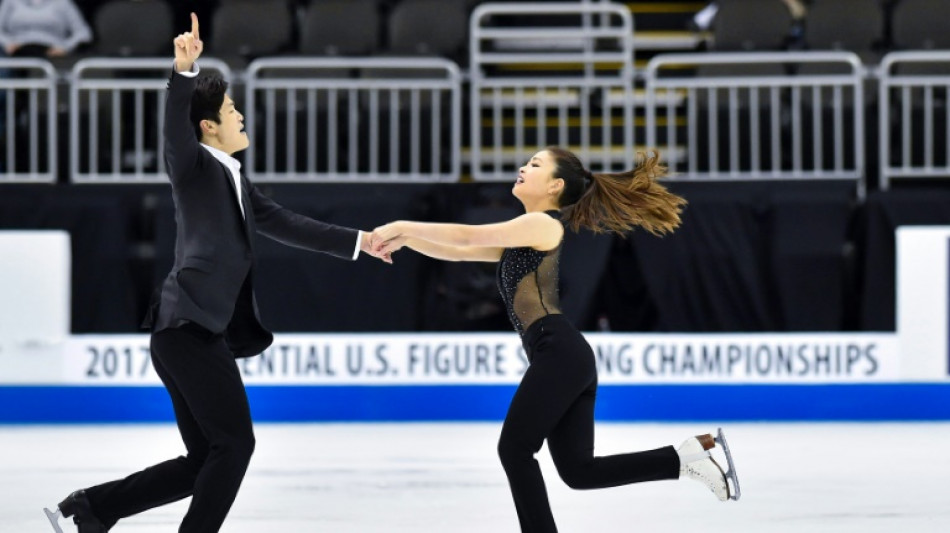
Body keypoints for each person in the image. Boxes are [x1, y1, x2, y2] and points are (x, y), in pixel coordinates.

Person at [43, 13, 389, 533]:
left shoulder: (235, 179)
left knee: (207, 458)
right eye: (231, 109)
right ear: (209, 125)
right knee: (235, 445)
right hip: (188, 329)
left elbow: (285, 222)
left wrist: (361, 242)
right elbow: (174, 135)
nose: (240, 115)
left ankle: (93, 507)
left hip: (195, 333)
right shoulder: (194, 167)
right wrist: (182, 75)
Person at [370, 148, 741, 532]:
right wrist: (406, 241)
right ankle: (688, 458)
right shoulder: (525, 230)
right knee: (579, 471)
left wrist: (402, 225)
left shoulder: (543, 225)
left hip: (559, 352)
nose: (521, 168)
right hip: (563, 354)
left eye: (534, 165)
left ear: (555, 186)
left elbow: (466, 234)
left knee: (514, 450)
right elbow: (461, 250)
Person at [0, 0, 91, 58]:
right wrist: (7, 42)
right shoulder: (11, 2)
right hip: (16, 53)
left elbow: (83, 33)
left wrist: (65, 48)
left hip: (52, 55)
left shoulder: (63, 2)